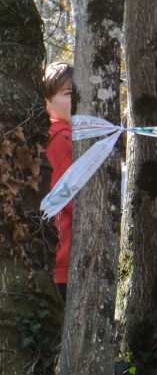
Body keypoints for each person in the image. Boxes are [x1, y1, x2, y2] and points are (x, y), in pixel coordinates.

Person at [44, 62, 74, 301]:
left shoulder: (70, 136)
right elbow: (71, 195)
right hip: (65, 260)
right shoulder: (60, 138)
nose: (75, 100)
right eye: (67, 94)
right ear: (47, 102)